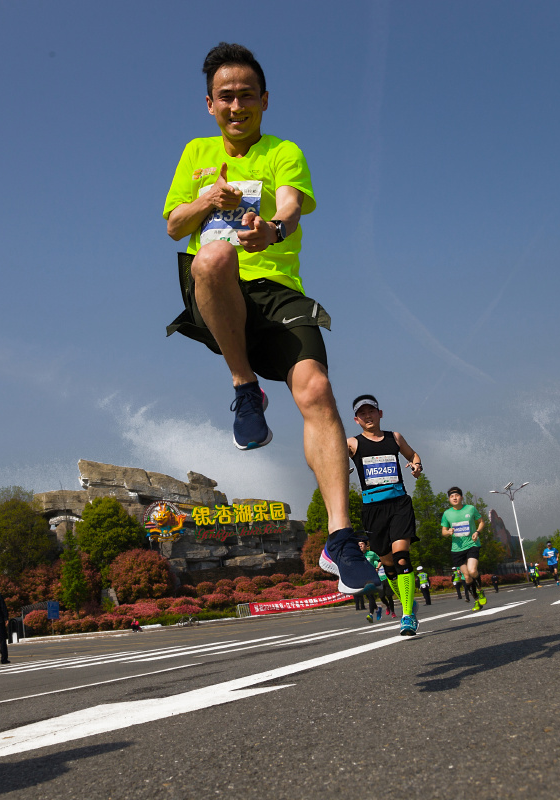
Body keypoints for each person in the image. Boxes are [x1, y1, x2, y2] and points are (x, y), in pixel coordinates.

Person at [163, 42, 378, 598]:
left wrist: (273, 230)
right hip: (219, 292)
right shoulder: (195, 153)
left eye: (247, 95)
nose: (237, 106)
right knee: (212, 255)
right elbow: (173, 225)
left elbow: (290, 206)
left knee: (318, 390)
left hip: (278, 291)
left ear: (264, 99)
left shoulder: (284, 151)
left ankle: (341, 539)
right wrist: (208, 200)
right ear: (209, 104)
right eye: (226, 97)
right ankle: (245, 388)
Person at [347, 395, 424, 635]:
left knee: (402, 558)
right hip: (372, 510)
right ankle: (408, 602)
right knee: (389, 566)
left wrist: (416, 465)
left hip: (399, 504)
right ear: (356, 419)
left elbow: (413, 455)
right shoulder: (352, 443)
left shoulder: (394, 438)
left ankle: (407, 616)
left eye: (371, 411)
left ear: (380, 414)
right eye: (362, 413)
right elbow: (332, 456)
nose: (368, 416)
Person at [442, 487, 486, 611]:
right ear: (449, 499)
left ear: (461, 497)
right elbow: (443, 532)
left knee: (472, 570)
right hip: (457, 549)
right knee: (467, 577)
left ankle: (480, 590)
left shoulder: (470, 509)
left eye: (457, 495)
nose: (454, 498)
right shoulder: (447, 514)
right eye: (451, 496)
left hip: (472, 544)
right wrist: (448, 532)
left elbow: (481, 522)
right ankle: (476, 601)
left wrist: (477, 532)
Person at [357, 537, 390, 622]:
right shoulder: (357, 555)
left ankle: (371, 614)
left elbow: (380, 560)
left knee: (370, 595)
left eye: (362, 544)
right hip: (362, 578)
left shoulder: (371, 554)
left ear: (366, 546)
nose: (360, 546)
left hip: (371, 577)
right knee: (369, 596)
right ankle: (378, 608)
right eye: (359, 545)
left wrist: (377, 568)